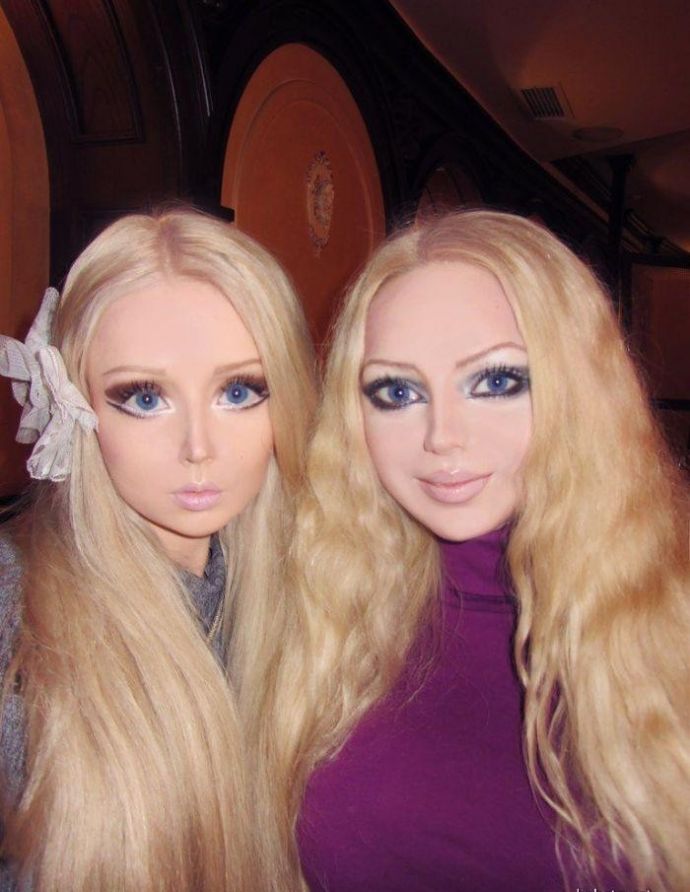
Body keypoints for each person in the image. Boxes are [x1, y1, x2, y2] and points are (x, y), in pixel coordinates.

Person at [264, 210, 690, 891]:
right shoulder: (319, 616)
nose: (443, 437)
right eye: (397, 391)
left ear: (581, 390)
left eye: (495, 382)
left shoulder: (670, 623)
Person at [0, 208, 315, 892]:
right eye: (144, 398)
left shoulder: (317, 600)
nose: (198, 447)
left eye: (239, 391)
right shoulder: (15, 613)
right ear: (75, 404)